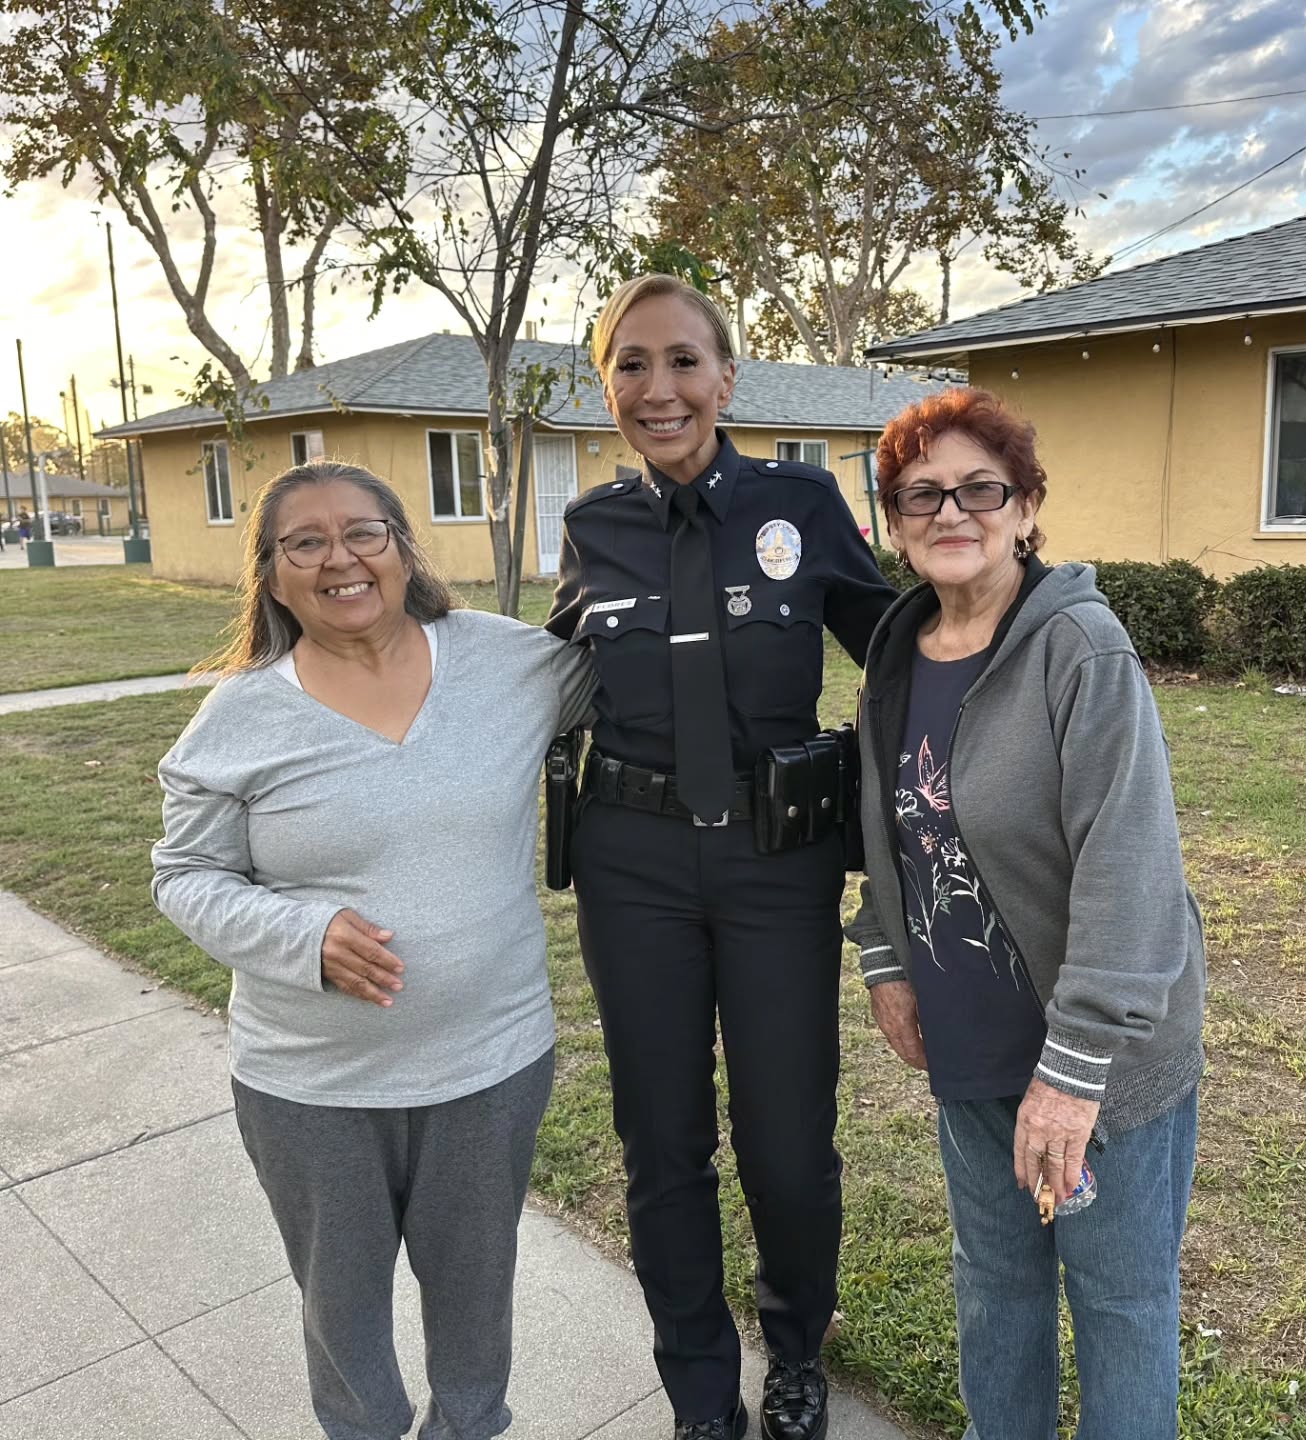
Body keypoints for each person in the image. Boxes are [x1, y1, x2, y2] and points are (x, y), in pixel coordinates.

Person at [152, 460, 593, 1440]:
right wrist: (302, 936)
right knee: (341, 1307)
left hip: (489, 1064)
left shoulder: (512, 664)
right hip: (310, 1087)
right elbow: (182, 876)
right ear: (272, 578)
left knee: (476, 1292)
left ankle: (469, 1427)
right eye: (304, 543)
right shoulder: (240, 717)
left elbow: (642, 680)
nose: (339, 559)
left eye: (363, 532)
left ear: (403, 548)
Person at [547, 274, 895, 1440]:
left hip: (776, 864)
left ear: (727, 378)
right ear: (608, 388)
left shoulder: (801, 501)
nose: (661, 389)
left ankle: (794, 1353)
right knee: (662, 1142)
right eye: (632, 364)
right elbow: (546, 675)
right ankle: (700, 1392)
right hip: (632, 865)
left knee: (787, 1141)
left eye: (684, 361)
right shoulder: (594, 527)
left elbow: (902, 651)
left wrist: (1028, 625)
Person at [845, 388, 1206, 1440]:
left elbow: (1131, 873)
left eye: (980, 489)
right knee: (995, 1288)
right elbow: (894, 828)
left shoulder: (1080, 650)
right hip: (971, 1047)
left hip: (1099, 1063)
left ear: (1027, 508)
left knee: (1119, 1304)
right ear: (894, 523)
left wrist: (1073, 1073)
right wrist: (885, 959)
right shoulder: (898, 653)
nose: (951, 513)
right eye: (921, 495)